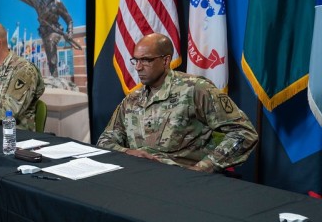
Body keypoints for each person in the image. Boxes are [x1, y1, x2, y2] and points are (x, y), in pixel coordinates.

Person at [97, 33, 258, 173]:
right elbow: (105, 141)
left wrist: (204, 168)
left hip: (184, 181)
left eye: (146, 60)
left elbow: (243, 133)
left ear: (166, 60)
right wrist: (127, 152)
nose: (138, 67)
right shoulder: (132, 100)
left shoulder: (195, 89)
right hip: (139, 178)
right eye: (136, 60)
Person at [1, 0, 77, 77]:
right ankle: (54, 75)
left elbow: (69, 20)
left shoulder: (57, 3)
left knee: (51, 43)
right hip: (44, 31)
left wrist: (70, 33)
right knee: (49, 54)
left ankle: (55, 77)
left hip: (55, 30)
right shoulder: (36, 0)